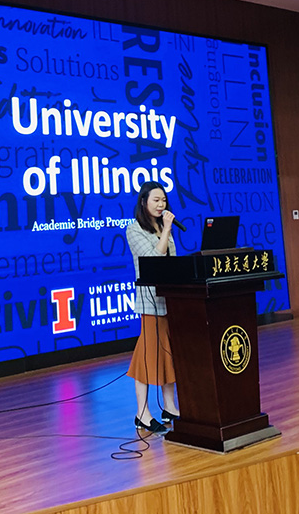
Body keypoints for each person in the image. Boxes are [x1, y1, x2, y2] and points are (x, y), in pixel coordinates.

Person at [125, 181, 180, 433]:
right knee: (147, 358)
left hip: (170, 299)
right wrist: (166, 230)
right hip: (149, 302)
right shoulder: (134, 230)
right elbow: (154, 260)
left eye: (164, 200)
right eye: (156, 200)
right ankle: (142, 413)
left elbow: (173, 263)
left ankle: (169, 406)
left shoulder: (163, 228)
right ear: (144, 202)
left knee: (169, 354)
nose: (161, 205)